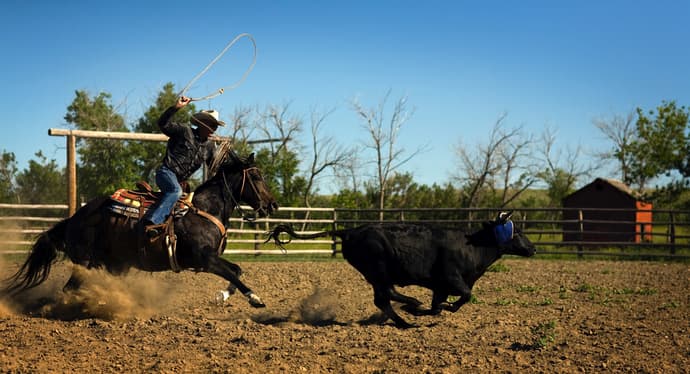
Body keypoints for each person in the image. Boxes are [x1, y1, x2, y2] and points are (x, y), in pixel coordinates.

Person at [141, 95, 225, 237]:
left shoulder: (210, 146)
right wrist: (176, 108)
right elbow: (163, 124)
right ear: (202, 123)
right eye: (212, 125)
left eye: (215, 126)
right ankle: (152, 223)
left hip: (180, 182)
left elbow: (214, 167)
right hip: (166, 173)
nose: (214, 129)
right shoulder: (184, 131)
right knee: (175, 192)